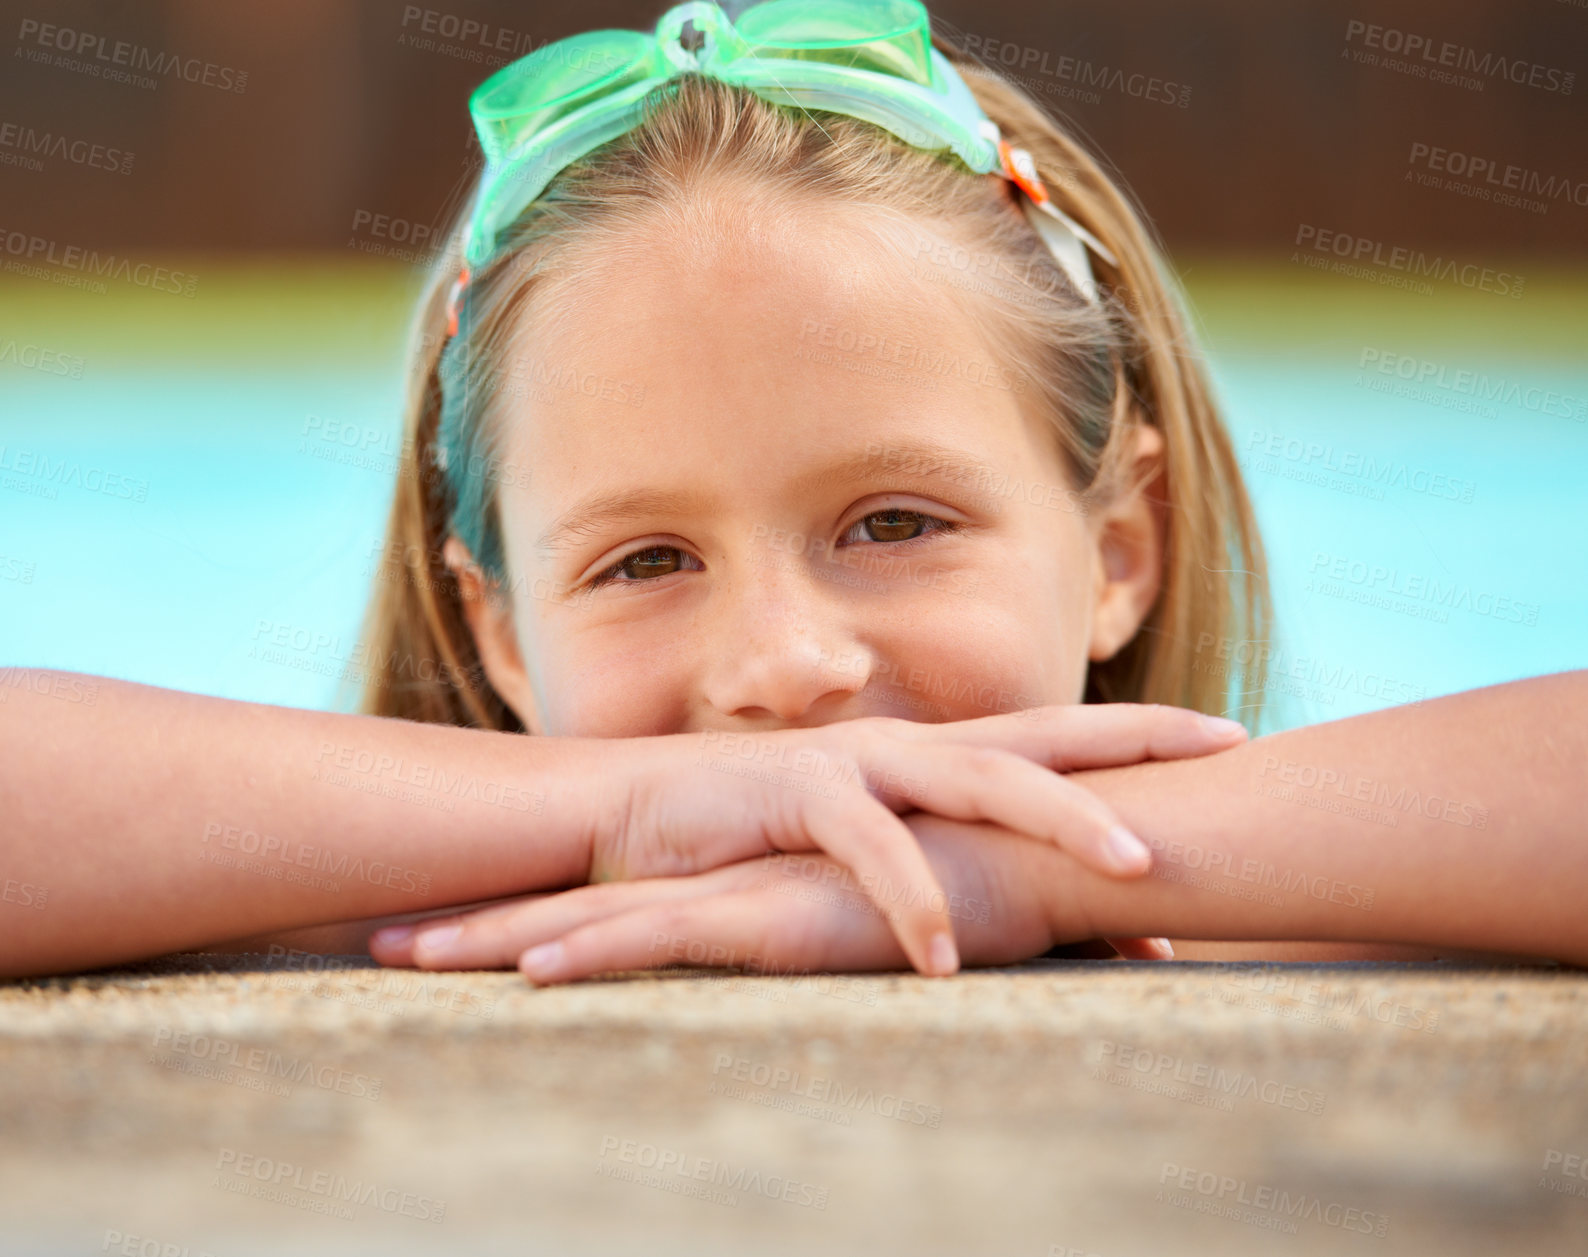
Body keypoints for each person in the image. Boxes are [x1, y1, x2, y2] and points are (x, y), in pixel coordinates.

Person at [3, 1, 1581, 983]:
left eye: (894, 523)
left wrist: (1026, 863)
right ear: (494, 632)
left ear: (1120, 546)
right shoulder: (378, 891)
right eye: (642, 560)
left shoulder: (1295, 895)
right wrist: (623, 810)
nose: (783, 670)